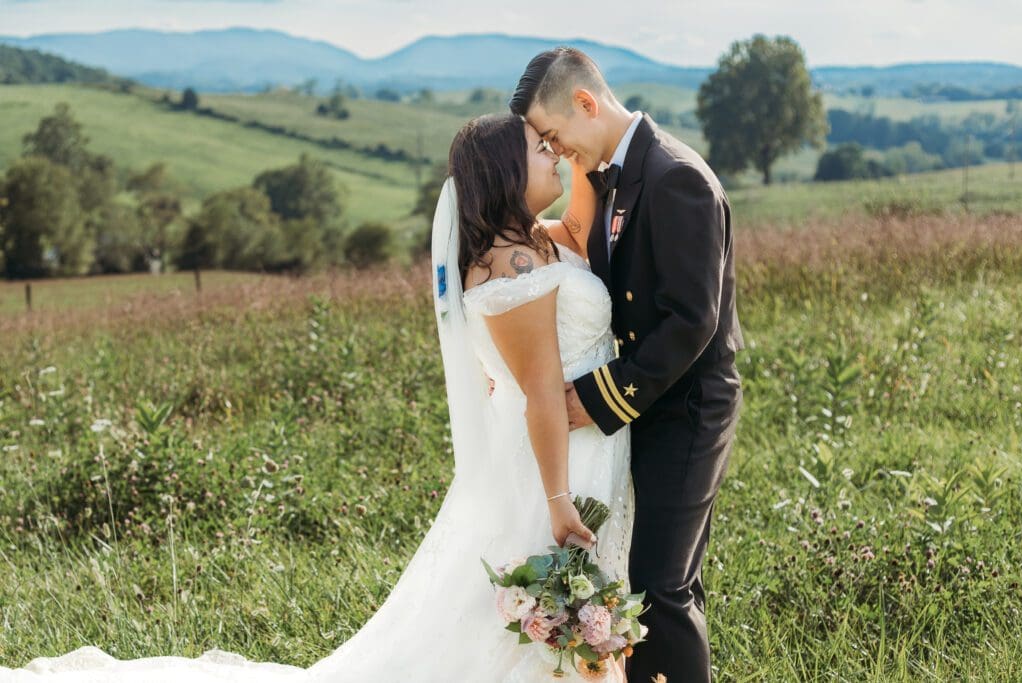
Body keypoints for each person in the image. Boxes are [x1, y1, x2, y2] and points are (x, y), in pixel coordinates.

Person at [2, 113, 634, 683]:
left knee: (552, 620)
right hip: (551, 464)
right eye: (537, 146)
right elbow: (541, 393)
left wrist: (583, 143)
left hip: (575, 447)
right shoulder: (514, 263)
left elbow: (578, 222)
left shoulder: (532, 239)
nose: (551, 153)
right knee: (540, 616)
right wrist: (556, 502)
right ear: (503, 170)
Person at [510, 47, 744, 683]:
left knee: (661, 588)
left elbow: (691, 321)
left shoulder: (676, 177)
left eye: (556, 137)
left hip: (690, 406)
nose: (557, 154)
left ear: (586, 104)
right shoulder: (618, 173)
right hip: (653, 401)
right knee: (660, 581)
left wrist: (600, 396)